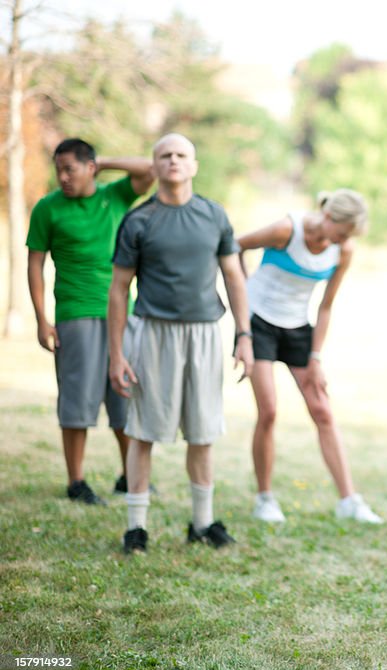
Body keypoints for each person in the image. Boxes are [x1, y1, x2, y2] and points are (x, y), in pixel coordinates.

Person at [108, 133, 254, 554]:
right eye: (165, 155)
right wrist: (117, 353)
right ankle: (136, 527)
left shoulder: (213, 215)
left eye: (181, 155)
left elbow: (234, 277)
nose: (173, 161)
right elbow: (119, 290)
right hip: (153, 332)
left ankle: (203, 523)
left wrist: (243, 336)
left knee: (203, 431)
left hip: (205, 333)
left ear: (193, 165)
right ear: (154, 166)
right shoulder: (139, 220)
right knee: (143, 431)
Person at [238, 189, 382, 525]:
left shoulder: (342, 250)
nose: (343, 241)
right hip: (259, 322)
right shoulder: (287, 230)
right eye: (342, 233)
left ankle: (349, 500)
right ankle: (265, 499)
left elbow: (326, 306)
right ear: (329, 217)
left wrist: (316, 356)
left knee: (322, 409)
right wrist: (243, 290)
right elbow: (233, 245)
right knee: (269, 411)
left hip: (298, 327)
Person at [26, 138, 154, 505]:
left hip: (121, 312)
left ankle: (130, 476)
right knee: (77, 401)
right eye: (59, 170)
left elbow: (150, 169)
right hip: (75, 313)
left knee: (124, 396)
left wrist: (105, 160)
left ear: (90, 168)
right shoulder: (47, 209)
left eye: (70, 168)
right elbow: (35, 263)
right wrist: (41, 319)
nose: (63, 177)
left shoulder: (114, 196)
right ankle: (76, 481)